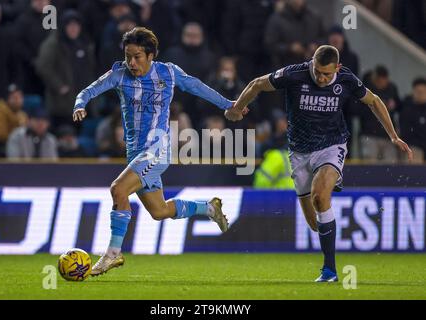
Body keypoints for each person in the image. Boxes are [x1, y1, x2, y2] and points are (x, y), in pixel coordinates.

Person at [226, 45, 412, 282]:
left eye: (327, 74)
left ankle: (330, 270)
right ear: (311, 63)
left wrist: (393, 135)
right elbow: (257, 84)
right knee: (314, 223)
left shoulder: (346, 80)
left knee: (320, 197)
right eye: (318, 71)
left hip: (331, 146)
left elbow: (374, 101)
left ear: (338, 68)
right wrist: (238, 108)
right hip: (299, 152)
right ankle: (328, 238)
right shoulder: (294, 74)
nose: (322, 78)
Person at [73, 27, 233, 276]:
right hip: (135, 153)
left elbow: (197, 87)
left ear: (150, 55)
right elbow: (89, 90)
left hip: (158, 149)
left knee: (118, 189)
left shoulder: (168, 72)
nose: (131, 62)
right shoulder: (119, 74)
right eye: (128, 56)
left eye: (137, 56)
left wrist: (228, 105)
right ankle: (209, 208)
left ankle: (113, 253)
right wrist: (80, 104)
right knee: (159, 211)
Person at [399, 78, 426, 163]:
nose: (421, 94)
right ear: (413, 92)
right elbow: (405, 132)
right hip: (414, 147)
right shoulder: (407, 109)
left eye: (423, 92)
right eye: (418, 92)